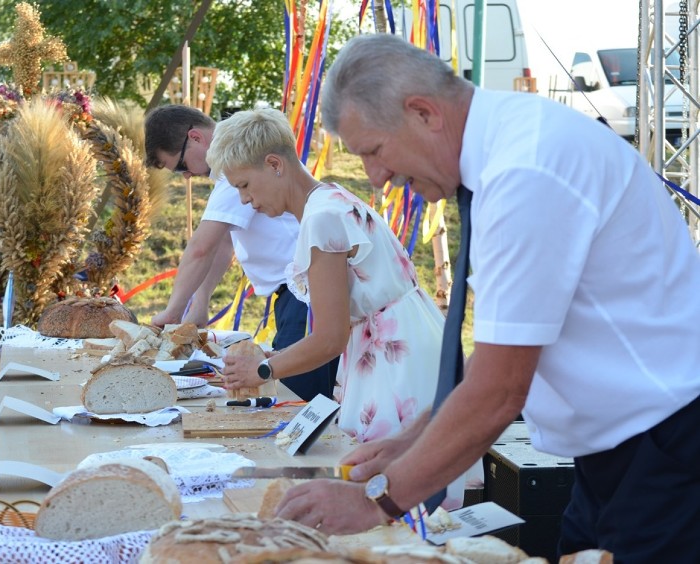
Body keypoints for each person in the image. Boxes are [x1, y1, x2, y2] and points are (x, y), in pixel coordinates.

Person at [273, 34, 700, 563]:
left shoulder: (524, 170)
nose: (377, 178)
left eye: (374, 151)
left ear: (423, 113)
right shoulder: (510, 149)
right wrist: (414, 438)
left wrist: (377, 501)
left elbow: (500, 390)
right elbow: (505, 350)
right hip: (627, 450)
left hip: (667, 447)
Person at [209, 108, 458, 469]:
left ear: (275, 164)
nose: (245, 200)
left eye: (244, 185)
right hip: (404, 340)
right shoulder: (330, 199)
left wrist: (263, 370)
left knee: (390, 480)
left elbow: (329, 338)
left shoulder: (321, 217)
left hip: (394, 359)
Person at [144, 105, 336, 402]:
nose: (186, 176)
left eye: (182, 166)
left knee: (295, 399)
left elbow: (201, 247)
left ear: (195, 137)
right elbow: (222, 243)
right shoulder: (234, 162)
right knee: (297, 395)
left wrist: (173, 311)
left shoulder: (233, 162)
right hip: (297, 290)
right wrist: (201, 301)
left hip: (306, 291)